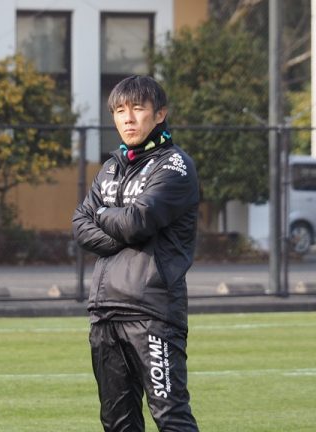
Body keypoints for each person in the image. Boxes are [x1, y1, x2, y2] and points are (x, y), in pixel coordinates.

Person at [72, 75, 200, 432]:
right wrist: (118, 224)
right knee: (117, 422)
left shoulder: (174, 166)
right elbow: (80, 226)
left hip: (152, 312)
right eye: (119, 111)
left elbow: (136, 222)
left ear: (159, 114)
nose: (127, 119)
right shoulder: (110, 168)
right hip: (105, 313)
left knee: (171, 416)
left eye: (137, 109)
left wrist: (102, 214)